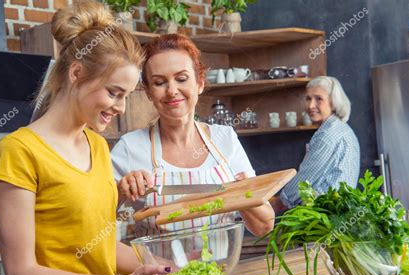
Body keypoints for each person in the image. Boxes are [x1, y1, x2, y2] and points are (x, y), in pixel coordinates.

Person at [0, 3, 204, 275]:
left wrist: (169, 269)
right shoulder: (18, 152)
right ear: (77, 73)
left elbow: (100, 248)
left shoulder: (98, 146)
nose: (121, 108)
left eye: (126, 96)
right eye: (114, 93)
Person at [111, 34, 274, 239]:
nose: (172, 91)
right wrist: (121, 194)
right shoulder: (130, 147)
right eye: (159, 82)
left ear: (200, 83)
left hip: (222, 267)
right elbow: (95, 222)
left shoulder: (225, 139)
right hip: (159, 269)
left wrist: (242, 194)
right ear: (149, 93)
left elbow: (263, 226)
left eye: (181, 79)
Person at [271, 76, 360, 213]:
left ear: (333, 102)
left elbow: (305, 179)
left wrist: (279, 202)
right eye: (308, 98)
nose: (311, 105)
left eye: (319, 99)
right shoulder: (341, 128)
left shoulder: (328, 134)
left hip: (326, 214)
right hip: (338, 214)